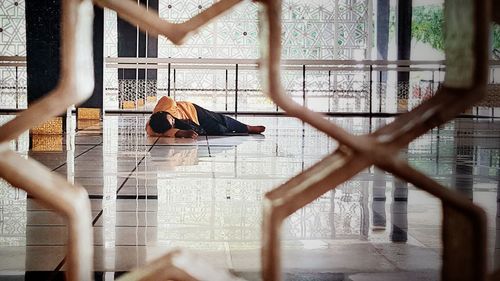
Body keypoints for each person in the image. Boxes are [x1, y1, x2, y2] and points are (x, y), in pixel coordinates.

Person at [146, 96, 266, 138]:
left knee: (219, 119)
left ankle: (248, 128)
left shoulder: (164, 106)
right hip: (190, 124)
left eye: (171, 118)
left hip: (193, 111)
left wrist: (172, 117)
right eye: (171, 123)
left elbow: (169, 99)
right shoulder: (154, 128)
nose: (173, 120)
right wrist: (179, 132)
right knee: (219, 130)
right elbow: (163, 132)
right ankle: (238, 130)